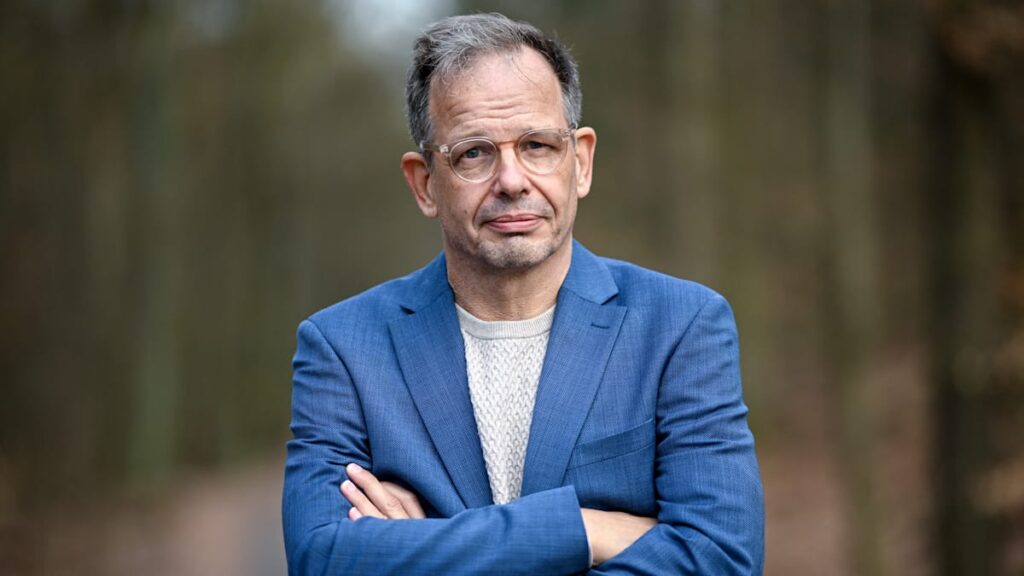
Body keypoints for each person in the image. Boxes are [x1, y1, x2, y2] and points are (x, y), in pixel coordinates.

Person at [282, 12, 763, 575]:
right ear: (424, 183)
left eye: (537, 145)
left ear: (580, 162)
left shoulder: (681, 327)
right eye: (474, 153)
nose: (511, 181)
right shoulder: (343, 349)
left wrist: (424, 548)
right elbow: (323, 558)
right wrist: (584, 528)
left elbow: (721, 559)